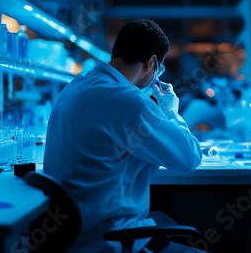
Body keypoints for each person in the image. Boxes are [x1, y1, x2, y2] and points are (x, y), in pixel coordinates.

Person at [43, 19, 203, 252]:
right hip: (112, 239)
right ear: (152, 63)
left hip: (71, 236)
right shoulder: (127, 100)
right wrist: (171, 112)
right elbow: (189, 157)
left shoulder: (75, 86)